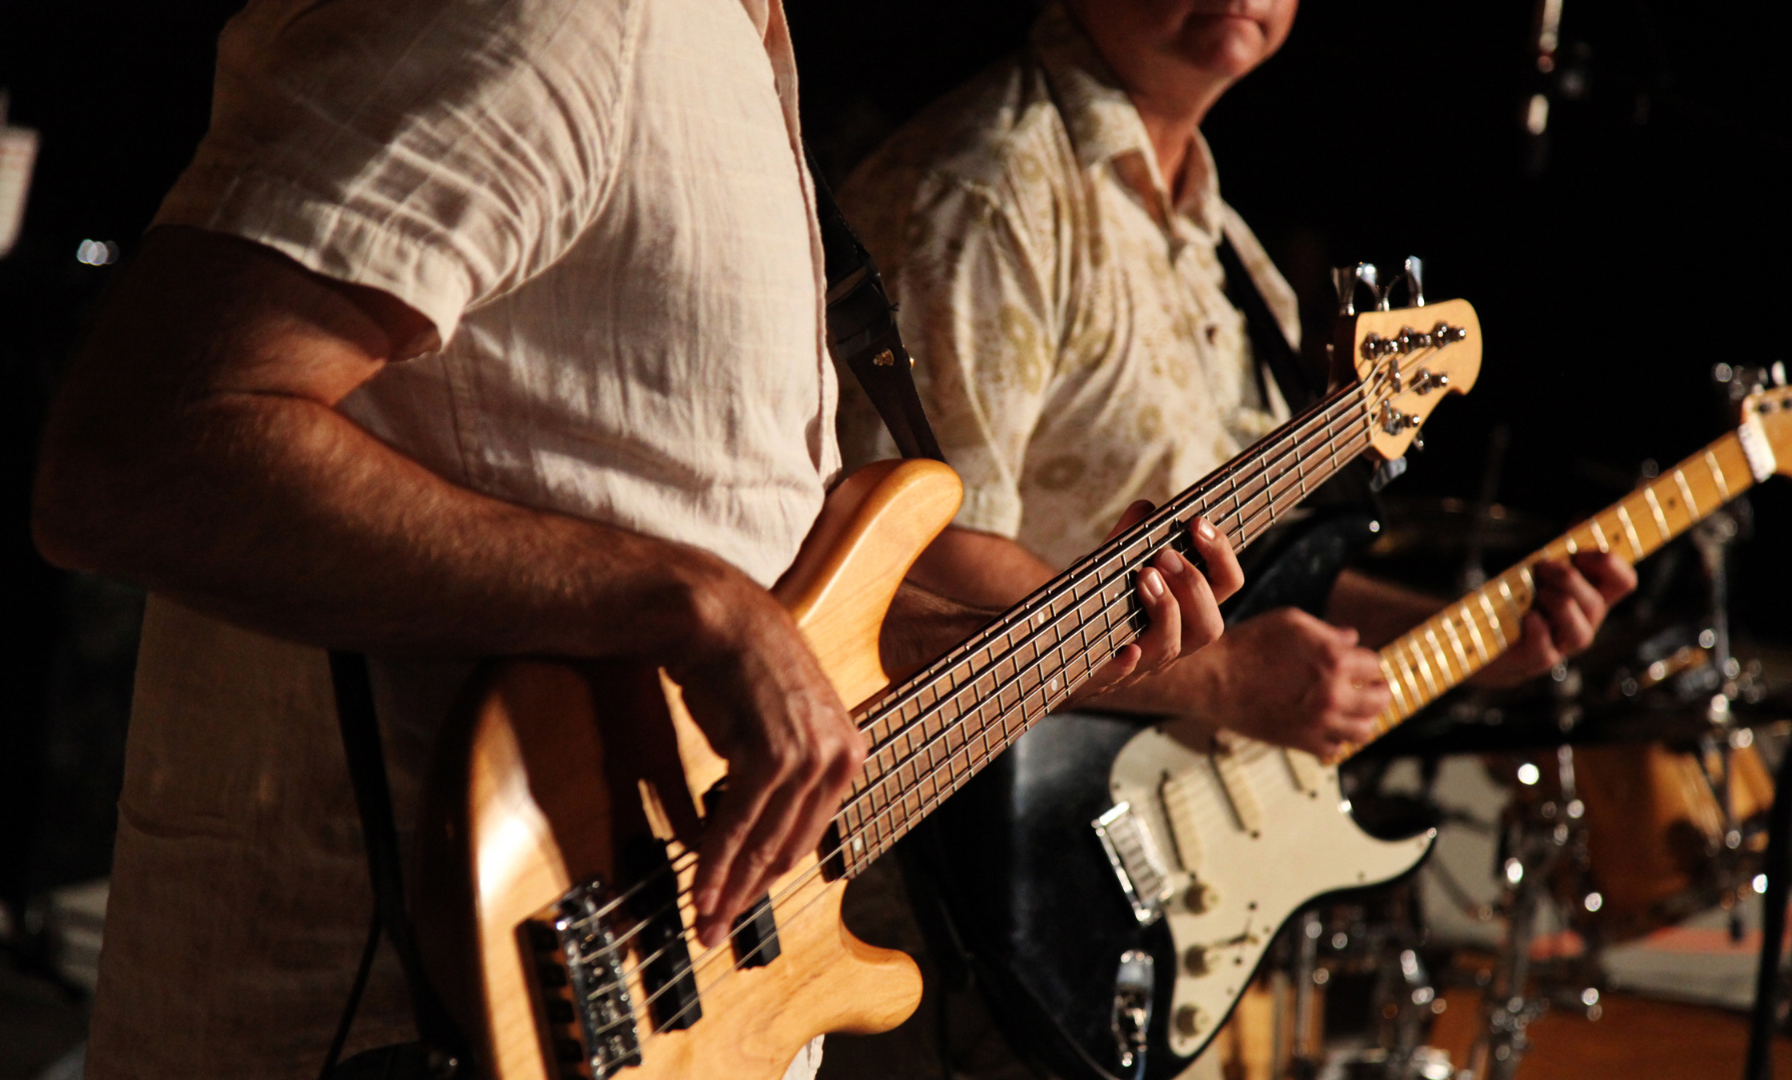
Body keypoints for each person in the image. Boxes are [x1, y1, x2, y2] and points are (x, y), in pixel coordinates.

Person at [27, 0, 1244, 1076]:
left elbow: (727, 556)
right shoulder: (558, 16)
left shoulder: (723, 39)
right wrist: (685, 603)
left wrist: (1017, 648)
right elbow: (135, 454)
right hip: (401, 1016)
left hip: (665, 1006)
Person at [823, 1, 1635, 1076]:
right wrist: (1212, 680)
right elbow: (922, 560)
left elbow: (1258, 585)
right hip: (951, 900)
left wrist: (1478, 638)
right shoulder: (985, 186)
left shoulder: (1219, 237)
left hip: (1116, 901)